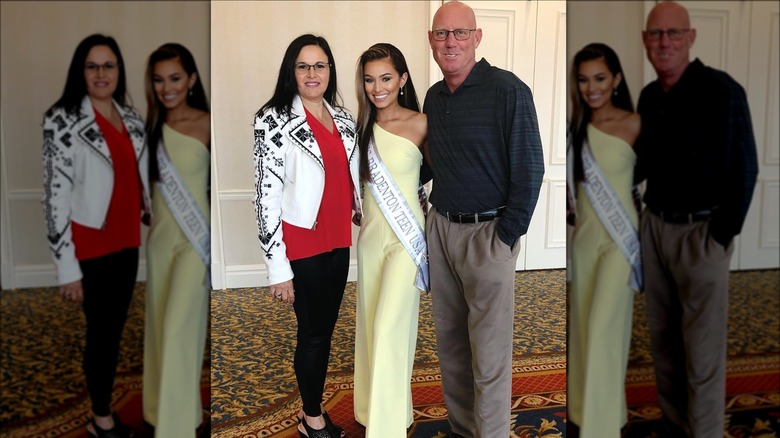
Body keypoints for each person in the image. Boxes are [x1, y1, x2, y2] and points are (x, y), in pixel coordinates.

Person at [635, 2, 758, 437]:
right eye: (654, 35)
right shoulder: (649, 98)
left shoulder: (723, 91)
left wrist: (720, 236)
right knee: (664, 346)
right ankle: (675, 425)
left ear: (690, 38)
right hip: (655, 230)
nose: (663, 42)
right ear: (646, 42)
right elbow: (641, 165)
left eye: (672, 33)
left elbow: (746, 169)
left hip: (702, 235)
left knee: (703, 354)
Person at [423, 2, 545, 436]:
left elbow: (530, 171)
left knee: (489, 356)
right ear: (432, 40)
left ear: (477, 37)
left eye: (459, 33)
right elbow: (431, 164)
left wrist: (504, 236)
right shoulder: (433, 98)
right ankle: (462, 429)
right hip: (441, 231)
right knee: (452, 348)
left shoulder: (508, 91)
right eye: (441, 34)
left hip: (487, 236)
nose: (450, 42)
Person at [41, 33, 150, 438]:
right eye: (92, 66)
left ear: (119, 71)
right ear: (80, 71)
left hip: (127, 243)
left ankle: (100, 407)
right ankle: (100, 416)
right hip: (91, 246)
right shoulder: (62, 119)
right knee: (101, 335)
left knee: (114, 330)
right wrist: (66, 268)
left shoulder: (131, 117)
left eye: (109, 65)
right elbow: (55, 197)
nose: (101, 73)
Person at [252, 34, 360, 438]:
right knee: (313, 334)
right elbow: (265, 196)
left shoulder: (344, 118)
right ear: (291, 71)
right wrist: (277, 268)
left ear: (330, 71)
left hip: (339, 241)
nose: (312, 74)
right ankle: (312, 418)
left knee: (326, 329)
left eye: (320, 65)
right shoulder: (272, 119)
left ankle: (311, 409)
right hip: (304, 244)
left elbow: (352, 175)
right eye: (303, 66)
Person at [352, 43, 428, 437]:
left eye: (385, 78)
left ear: (402, 79)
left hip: (406, 241)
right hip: (370, 241)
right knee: (369, 328)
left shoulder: (422, 123)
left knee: (390, 329)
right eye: (369, 79)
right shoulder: (358, 128)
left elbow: (441, 176)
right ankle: (376, 410)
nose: (377, 87)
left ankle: (384, 430)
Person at [566, 43, 641, 438]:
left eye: (599, 78)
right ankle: (586, 413)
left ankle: (601, 427)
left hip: (620, 243)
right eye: (583, 80)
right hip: (585, 243)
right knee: (582, 331)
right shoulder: (574, 130)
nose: (591, 88)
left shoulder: (636, 124)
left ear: (615, 79)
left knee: (604, 330)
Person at [142, 43, 210, 438]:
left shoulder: (206, 123)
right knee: (159, 329)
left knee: (179, 330)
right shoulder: (148, 127)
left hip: (194, 246)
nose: (166, 88)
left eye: (174, 78)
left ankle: (176, 426)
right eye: (158, 79)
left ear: (191, 79)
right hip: (160, 243)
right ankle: (158, 412)